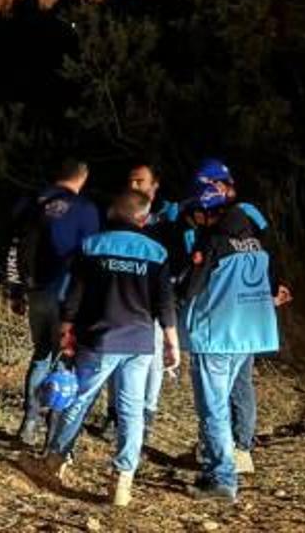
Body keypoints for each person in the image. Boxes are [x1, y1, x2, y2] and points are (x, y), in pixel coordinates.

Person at [41, 190, 179, 508]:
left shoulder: (92, 245)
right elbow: (164, 302)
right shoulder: (157, 252)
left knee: (79, 400)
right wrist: (172, 343)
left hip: (100, 339)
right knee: (132, 410)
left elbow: (74, 294)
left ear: (112, 213)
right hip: (141, 342)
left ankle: (55, 460)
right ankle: (122, 481)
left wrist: (65, 329)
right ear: (143, 218)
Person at [182, 159, 289, 496]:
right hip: (247, 335)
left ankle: (223, 478)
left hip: (215, 336)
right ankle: (223, 463)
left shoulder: (212, 242)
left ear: (204, 211)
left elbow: (190, 289)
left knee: (213, 409)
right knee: (226, 400)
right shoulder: (254, 242)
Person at [10, 158, 100, 448]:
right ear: (82, 178)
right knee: (65, 360)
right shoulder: (85, 209)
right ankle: (54, 431)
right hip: (67, 294)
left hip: (35, 290)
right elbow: (91, 255)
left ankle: (30, 421)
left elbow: (14, 245)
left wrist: (16, 290)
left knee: (41, 354)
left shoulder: (32, 202)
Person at [101, 161, 181, 437]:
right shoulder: (118, 213)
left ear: (154, 185)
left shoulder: (167, 220)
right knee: (113, 354)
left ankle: (147, 412)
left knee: (153, 358)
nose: (133, 185)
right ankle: (114, 412)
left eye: (140, 181)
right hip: (120, 297)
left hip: (151, 300)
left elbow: (176, 258)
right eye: (131, 181)